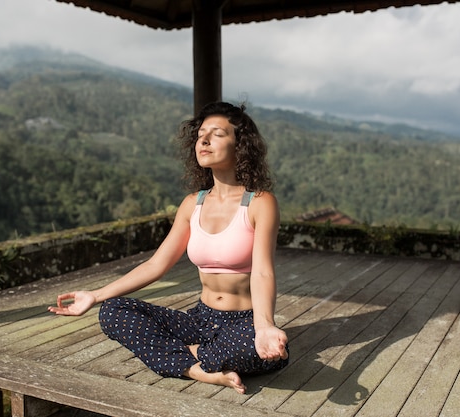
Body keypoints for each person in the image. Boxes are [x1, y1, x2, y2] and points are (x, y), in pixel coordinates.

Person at [48, 101, 289, 394]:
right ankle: (200, 369)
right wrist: (95, 295)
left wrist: (263, 327)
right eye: (201, 134)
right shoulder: (192, 204)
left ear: (240, 145)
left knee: (265, 352)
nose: (204, 140)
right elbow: (156, 265)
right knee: (113, 311)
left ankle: (178, 357)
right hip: (201, 319)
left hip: (244, 321)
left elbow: (263, 272)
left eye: (217, 134)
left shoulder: (260, 202)